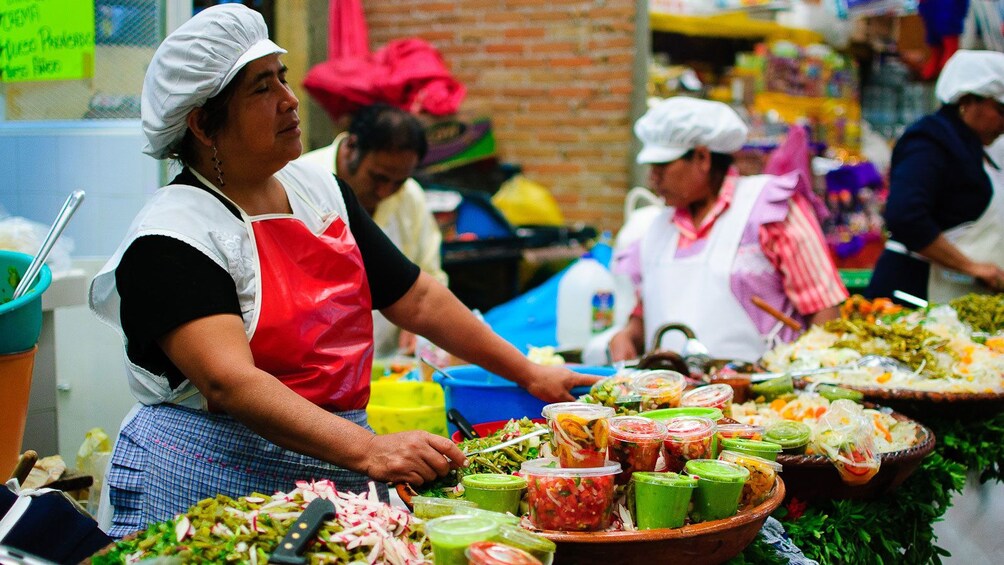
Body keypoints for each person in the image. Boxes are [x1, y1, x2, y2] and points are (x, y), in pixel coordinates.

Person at [88, 4, 599, 538]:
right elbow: (230, 383)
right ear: (202, 123)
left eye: (282, 78)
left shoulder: (320, 192)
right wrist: (370, 449)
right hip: (207, 479)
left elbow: (417, 298)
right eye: (261, 89)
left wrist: (529, 373)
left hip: (332, 464)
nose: (290, 101)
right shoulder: (173, 236)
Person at [607, 97, 847, 364]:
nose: (653, 177)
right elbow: (646, 311)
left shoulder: (770, 209)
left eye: (662, 165)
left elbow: (823, 310)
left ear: (702, 157)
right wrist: (628, 335)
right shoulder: (655, 229)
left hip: (762, 398)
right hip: (669, 398)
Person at [298, 104, 445, 358]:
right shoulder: (301, 183)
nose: (384, 192)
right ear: (352, 148)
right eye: (378, 178)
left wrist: (421, 328)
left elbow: (430, 275)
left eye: (397, 182)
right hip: (313, 360)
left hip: (388, 361)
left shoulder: (410, 197)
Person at [866, 50, 1004, 304]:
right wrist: (972, 267)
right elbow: (905, 216)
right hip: (915, 293)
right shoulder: (931, 140)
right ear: (968, 100)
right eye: (1001, 110)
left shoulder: (980, 149)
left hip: (955, 297)